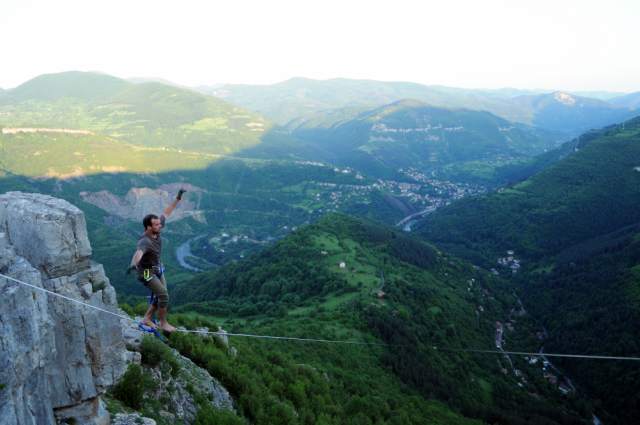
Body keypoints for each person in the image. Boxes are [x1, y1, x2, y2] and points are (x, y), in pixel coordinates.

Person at [126, 189, 187, 332]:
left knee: (161, 294)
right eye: (157, 224)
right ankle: (163, 323)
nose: (160, 226)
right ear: (149, 227)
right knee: (164, 295)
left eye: (160, 224)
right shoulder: (145, 241)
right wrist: (133, 263)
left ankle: (146, 318)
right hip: (146, 272)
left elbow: (166, 213)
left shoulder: (156, 228)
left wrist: (177, 199)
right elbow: (138, 252)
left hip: (156, 268)